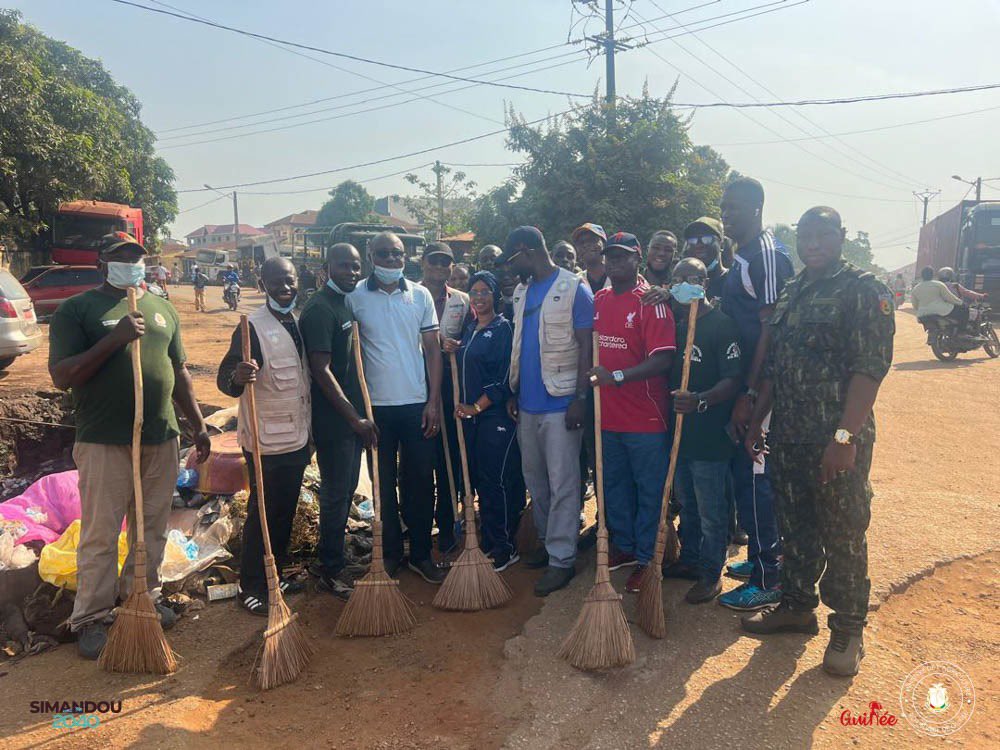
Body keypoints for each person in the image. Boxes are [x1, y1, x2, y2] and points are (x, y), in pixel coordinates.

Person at [741, 206, 894, 677]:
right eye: (805, 236)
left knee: (843, 533)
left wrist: (845, 438)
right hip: (788, 437)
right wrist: (756, 422)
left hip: (835, 440)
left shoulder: (864, 291)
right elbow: (776, 367)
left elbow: (868, 370)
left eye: (823, 235)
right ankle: (796, 606)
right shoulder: (795, 290)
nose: (813, 244)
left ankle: (848, 629)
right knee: (795, 527)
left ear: (841, 236)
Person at [49, 232, 211, 659]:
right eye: (122, 258)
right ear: (102, 263)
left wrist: (197, 424)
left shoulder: (162, 308)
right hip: (105, 439)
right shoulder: (77, 310)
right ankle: (91, 616)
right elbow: (62, 376)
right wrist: (114, 339)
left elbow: (179, 371)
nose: (131, 265)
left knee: (153, 524)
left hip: (160, 436)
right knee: (102, 530)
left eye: (136, 257)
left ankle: (142, 595)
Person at [500, 226, 594, 596]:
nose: (511, 270)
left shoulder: (574, 288)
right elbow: (522, 345)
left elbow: (587, 346)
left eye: (513, 260)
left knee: (564, 482)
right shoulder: (523, 292)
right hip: (527, 404)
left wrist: (580, 398)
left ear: (526, 251)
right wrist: (515, 388)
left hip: (561, 403)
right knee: (535, 480)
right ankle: (545, 540)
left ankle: (562, 560)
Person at [348, 231, 445, 583]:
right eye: (385, 254)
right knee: (382, 485)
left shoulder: (419, 296)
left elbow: (432, 350)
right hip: (377, 412)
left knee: (420, 480)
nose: (392, 260)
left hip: (417, 405)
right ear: (371, 255)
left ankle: (421, 553)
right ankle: (391, 553)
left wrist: (433, 402)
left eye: (398, 254)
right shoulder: (355, 297)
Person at [716, 176, 793, 611]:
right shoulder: (743, 255)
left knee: (757, 476)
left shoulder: (765, 256)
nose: (727, 214)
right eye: (724, 207)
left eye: (735, 207)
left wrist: (751, 391)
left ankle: (770, 578)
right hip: (744, 384)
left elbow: (771, 329)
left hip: (760, 388)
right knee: (745, 477)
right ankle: (760, 557)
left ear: (757, 208)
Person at [217, 258, 311, 615]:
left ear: (297, 280)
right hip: (265, 437)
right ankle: (252, 585)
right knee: (263, 511)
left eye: (289, 280)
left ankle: (277, 574)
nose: (285, 287)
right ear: (263, 283)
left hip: (298, 434)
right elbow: (226, 376)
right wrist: (238, 376)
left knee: (286, 509)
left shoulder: (300, 320)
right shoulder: (251, 327)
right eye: (276, 282)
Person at [587, 232, 675, 594]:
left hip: (645, 419)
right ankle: (623, 547)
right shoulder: (601, 298)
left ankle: (646, 558)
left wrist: (617, 377)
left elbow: (664, 359)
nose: (614, 263)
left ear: (638, 260)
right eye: (610, 257)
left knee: (649, 491)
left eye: (622, 257)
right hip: (607, 417)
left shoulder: (651, 303)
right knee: (614, 487)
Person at [299, 243, 377, 599]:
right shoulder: (319, 309)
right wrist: (354, 419)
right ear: (328, 266)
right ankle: (330, 568)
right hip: (335, 421)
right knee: (335, 494)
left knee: (346, 491)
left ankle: (335, 555)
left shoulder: (346, 301)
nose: (352, 272)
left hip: (352, 418)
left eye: (356, 266)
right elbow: (321, 370)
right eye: (344, 266)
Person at [665, 258, 744, 604]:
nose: (683, 283)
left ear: (706, 282)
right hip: (681, 436)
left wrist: (699, 400)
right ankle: (692, 559)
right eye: (677, 278)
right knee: (689, 505)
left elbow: (732, 379)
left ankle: (711, 575)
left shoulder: (721, 326)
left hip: (710, 438)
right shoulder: (677, 325)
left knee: (712, 511)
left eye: (691, 277)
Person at [446, 271, 526, 570]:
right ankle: (489, 541)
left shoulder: (503, 329)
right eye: (474, 292)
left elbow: (503, 379)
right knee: (480, 480)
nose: (479, 297)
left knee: (495, 481)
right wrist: (452, 347)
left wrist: (475, 408)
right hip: (471, 419)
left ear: (495, 296)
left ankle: (504, 547)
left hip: (493, 417)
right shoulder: (470, 329)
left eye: (485, 292)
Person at [420, 242, 471, 554]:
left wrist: (457, 345)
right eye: (434, 261)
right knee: (421, 463)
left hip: (452, 390)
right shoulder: (409, 295)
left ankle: (449, 523)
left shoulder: (463, 301)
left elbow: (472, 338)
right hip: (416, 389)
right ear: (424, 263)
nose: (440, 267)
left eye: (446, 262)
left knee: (451, 458)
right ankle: (419, 526)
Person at [682, 218, 728, 301]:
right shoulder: (681, 285)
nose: (698, 245)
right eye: (693, 240)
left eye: (707, 239)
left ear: (722, 245)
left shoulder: (735, 281)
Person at [572, 223, 610, 292]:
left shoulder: (621, 276)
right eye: (581, 243)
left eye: (592, 240)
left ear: (604, 244)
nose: (586, 245)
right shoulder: (575, 282)